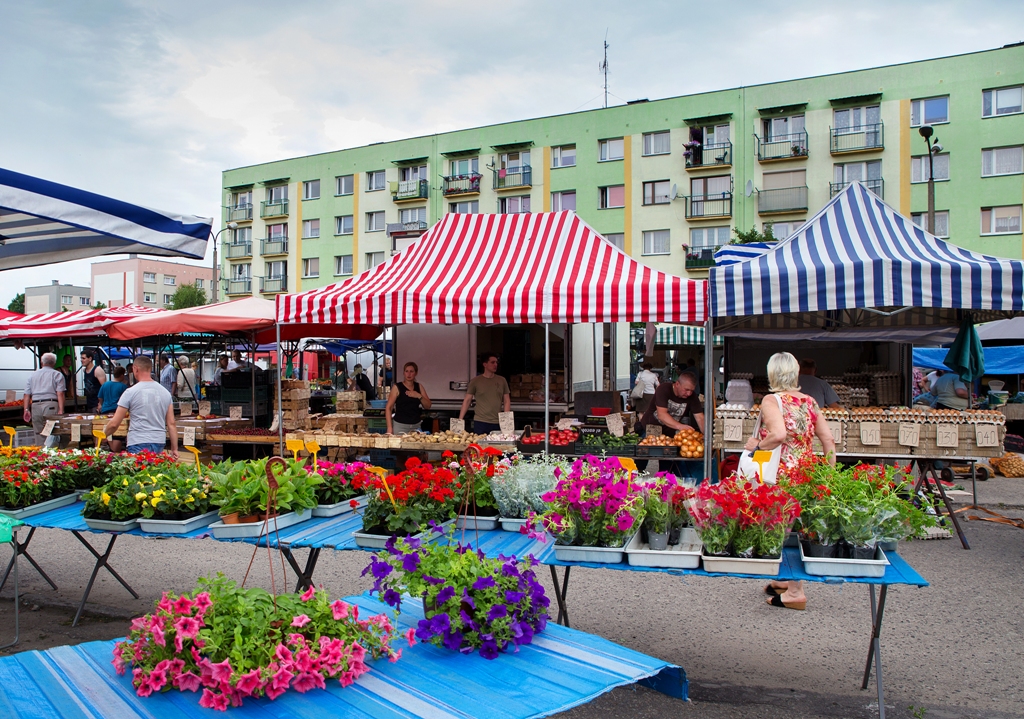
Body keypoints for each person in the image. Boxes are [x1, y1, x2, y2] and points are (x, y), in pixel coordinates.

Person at [745, 352, 836, 611]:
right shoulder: (810, 401)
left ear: (772, 373)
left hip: (780, 473)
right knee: (797, 528)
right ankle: (786, 580)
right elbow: (828, 441)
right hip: (805, 473)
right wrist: (826, 477)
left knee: (783, 530)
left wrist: (756, 445)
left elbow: (779, 434)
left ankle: (796, 592)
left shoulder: (771, 400)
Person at [104, 355, 177, 458]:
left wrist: (104, 435)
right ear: (150, 368)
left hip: (138, 440)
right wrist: (175, 449)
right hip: (159, 440)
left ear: (135, 368)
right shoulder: (165, 392)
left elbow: (114, 423)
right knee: (155, 471)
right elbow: (171, 423)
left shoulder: (130, 392)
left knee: (139, 472)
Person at [459, 352, 511, 434]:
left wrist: (506, 420)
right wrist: (460, 419)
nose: (495, 365)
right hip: (480, 421)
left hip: (497, 422)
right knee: (480, 445)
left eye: (496, 362)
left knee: (495, 446)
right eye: (492, 362)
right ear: (485, 364)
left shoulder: (502, 380)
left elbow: (506, 400)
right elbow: (467, 400)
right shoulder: (475, 381)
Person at [639, 372, 705, 436]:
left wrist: (706, 434)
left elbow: (700, 418)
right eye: (686, 390)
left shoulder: (692, 396)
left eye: (692, 390)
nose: (689, 393)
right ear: (677, 384)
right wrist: (680, 426)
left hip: (670, 434)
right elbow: (662, 415)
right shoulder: (664, 389)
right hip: (650, 429)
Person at [23, 352, 65, 441]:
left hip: (35, 405)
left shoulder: (32, 375)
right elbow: (60, 393)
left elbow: (27, 394)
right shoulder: (57, 374)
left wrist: (26, 409)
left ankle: (40, 451)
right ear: (54, 363)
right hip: (51, 404)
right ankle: (51, 452)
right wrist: (61, 409)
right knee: (52, 431)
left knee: (38, 431)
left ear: (42, 362)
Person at [386, 362, 432, 435]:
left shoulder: (419, 386)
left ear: (416, 373)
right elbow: (389, 407)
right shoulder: (397, 387)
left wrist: (419, 396)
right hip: (400, 426)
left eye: (411, 371)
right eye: (406, 371)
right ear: (404, 373)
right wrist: (389, 427)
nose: (409, 374)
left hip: (416, 426)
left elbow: (428, 406)